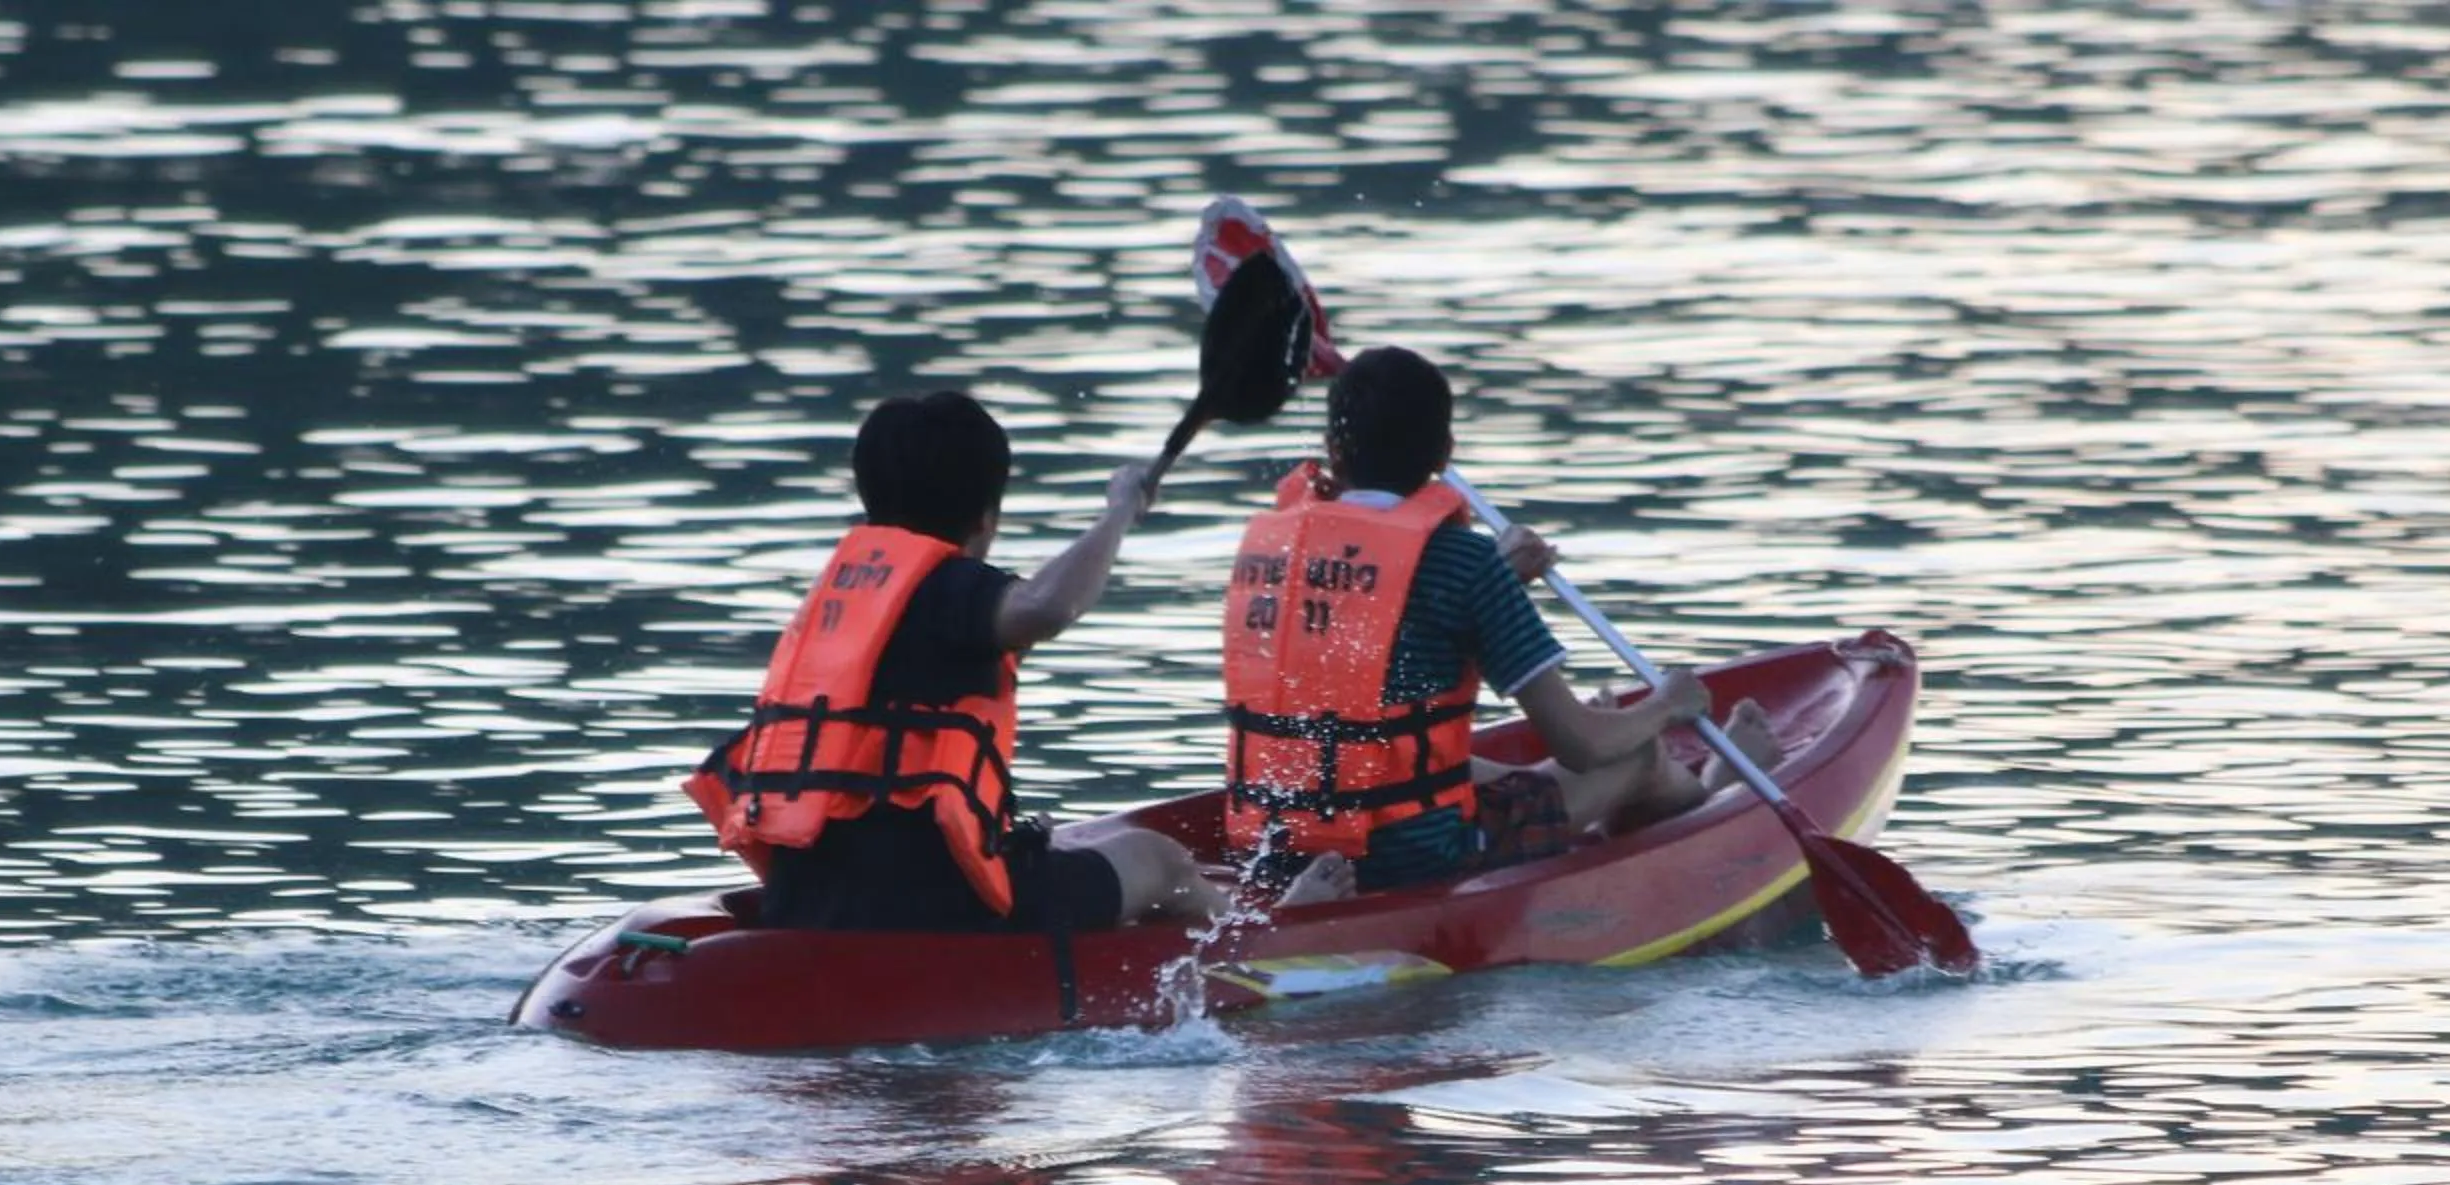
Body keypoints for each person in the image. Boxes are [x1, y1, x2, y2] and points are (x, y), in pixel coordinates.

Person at [1221, 346, 1783, 901]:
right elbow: (1582, 746)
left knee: (1455, 761)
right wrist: (1666, 707)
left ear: (1332, 450)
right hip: (1414, 859)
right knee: (1634, 754)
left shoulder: (1273, 551)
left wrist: (1497, 586)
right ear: (1445, 454)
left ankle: (1604, 790)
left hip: (1277, 850)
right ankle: (1716, 791)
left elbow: (1364, 646)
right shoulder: (1465, 562)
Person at [689, 390, 1226, 933]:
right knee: (1159, 861)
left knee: (1064, 841)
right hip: (937, 904)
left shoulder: (844, 595)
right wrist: (1118, 513)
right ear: (985, 519)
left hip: (805, 895)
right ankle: (1259, 952)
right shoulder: (945, 587)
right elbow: (1047, 607)